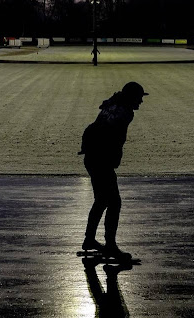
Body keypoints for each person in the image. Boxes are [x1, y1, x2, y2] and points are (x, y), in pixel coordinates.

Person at [79, 81, 147, 261]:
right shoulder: (125, 113)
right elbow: (114, 138)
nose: (141, 101)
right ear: (131, 97)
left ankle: (89, 240)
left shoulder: (114, 105)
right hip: (100, 159)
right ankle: (109, 245)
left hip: (93, 157)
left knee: (101, 200)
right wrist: (113, 159)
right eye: (139, 98)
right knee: (114, 202)